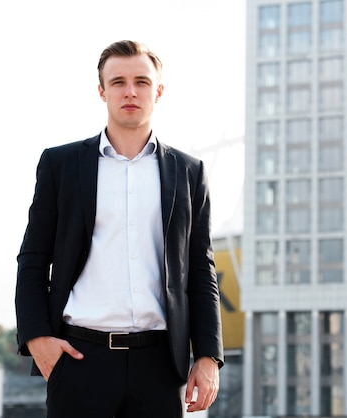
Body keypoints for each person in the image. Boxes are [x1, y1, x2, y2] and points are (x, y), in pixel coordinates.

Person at [15, 40, 223, 417]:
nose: (130, 91)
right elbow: (33, 257)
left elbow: (200, 270)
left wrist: (209, 356)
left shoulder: (190, 172)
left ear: (158, 92)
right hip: (79, 360)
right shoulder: (60, 164)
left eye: (142, 81)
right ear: (102, 90)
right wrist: (36, 338)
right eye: (118, 82)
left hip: (161, 366)